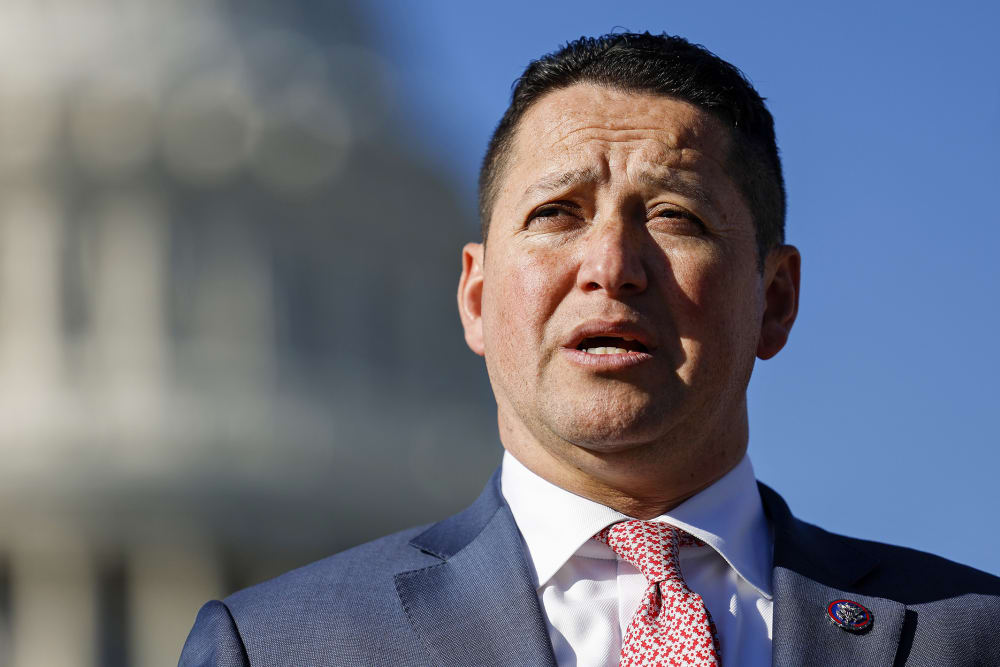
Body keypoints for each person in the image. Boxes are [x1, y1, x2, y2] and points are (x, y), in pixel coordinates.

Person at [180, 32, 1000, 666]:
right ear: (474, 295)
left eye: (676, 215)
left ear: (775, 300)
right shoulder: (283, 645)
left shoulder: (965, 632)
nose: (610, 267)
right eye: (556, 214)